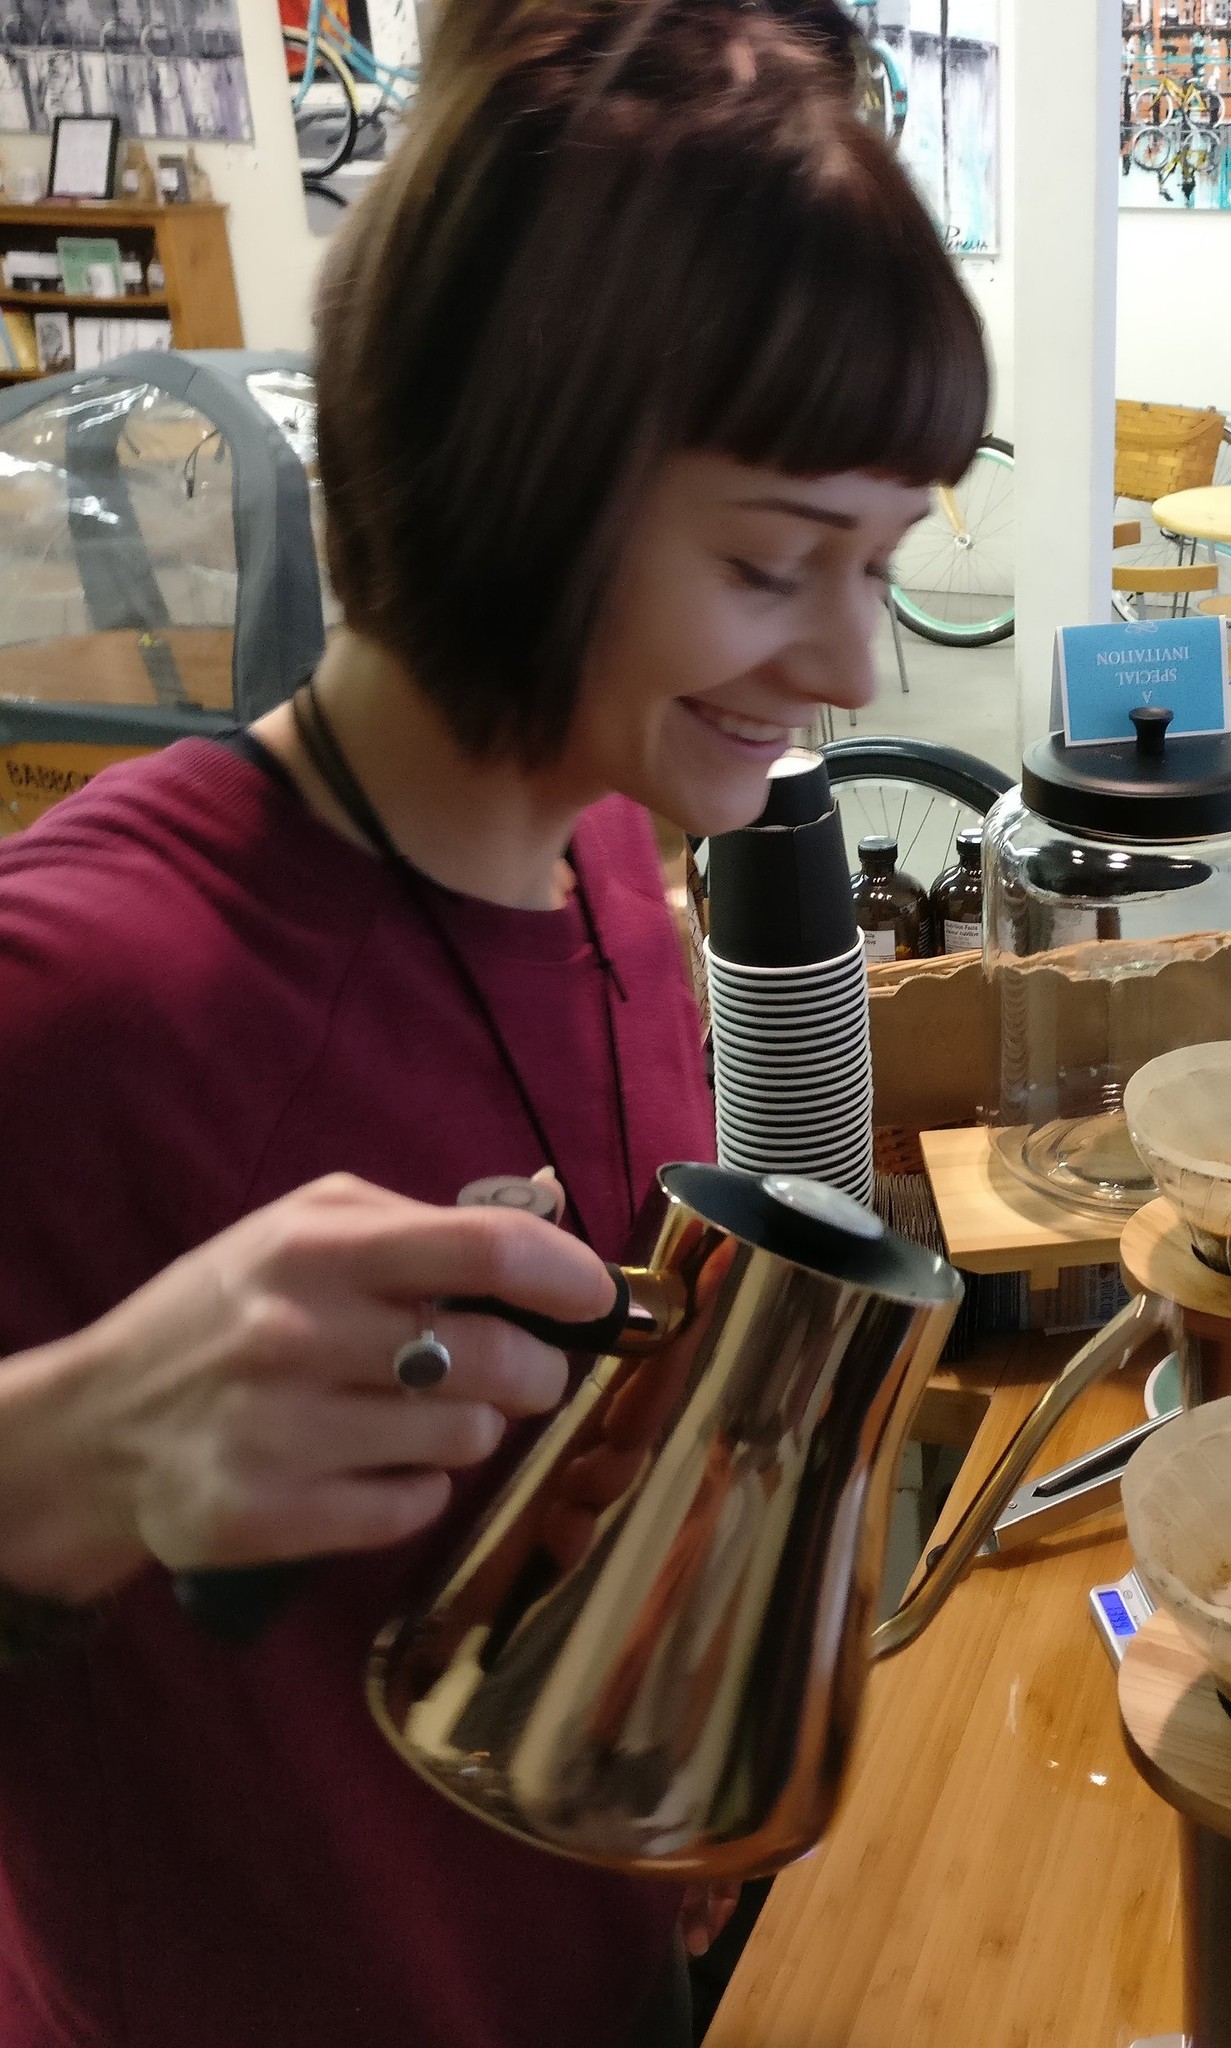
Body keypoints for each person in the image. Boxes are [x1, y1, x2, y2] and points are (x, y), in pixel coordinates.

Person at [0, 0, 989, 2039]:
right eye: (771, 562)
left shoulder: (613, 859)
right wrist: (63, 1458)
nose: (851, 656)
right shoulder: (86, 984)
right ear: (517, 475)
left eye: (881, 562)